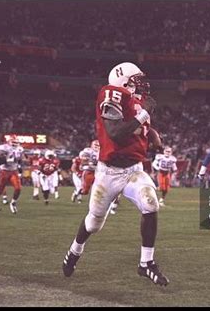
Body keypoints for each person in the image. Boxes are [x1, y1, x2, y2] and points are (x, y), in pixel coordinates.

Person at [62, 62, 169, 286]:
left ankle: (146, 263)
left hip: (133, 170)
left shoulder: (137, 103)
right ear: (123, 81)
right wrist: (144, 115)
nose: (142, 83)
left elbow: (144, 128)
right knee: (94, 223)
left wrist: (155, 137)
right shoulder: (111, 93)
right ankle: (75, 250)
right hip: (108, 173)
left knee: (151, 203)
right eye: (136, 79)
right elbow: (116, 133)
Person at [0, 134, 24, 215]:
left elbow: (19, 160)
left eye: (16, 142)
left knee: (18, 188)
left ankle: (13, 203)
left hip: (14, 171)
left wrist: (19, 168)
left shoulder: (20, 149)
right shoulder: (3, 148)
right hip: (4, 171)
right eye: (13, 142)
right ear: (9, 141)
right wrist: (7, 160)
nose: (15, 144)